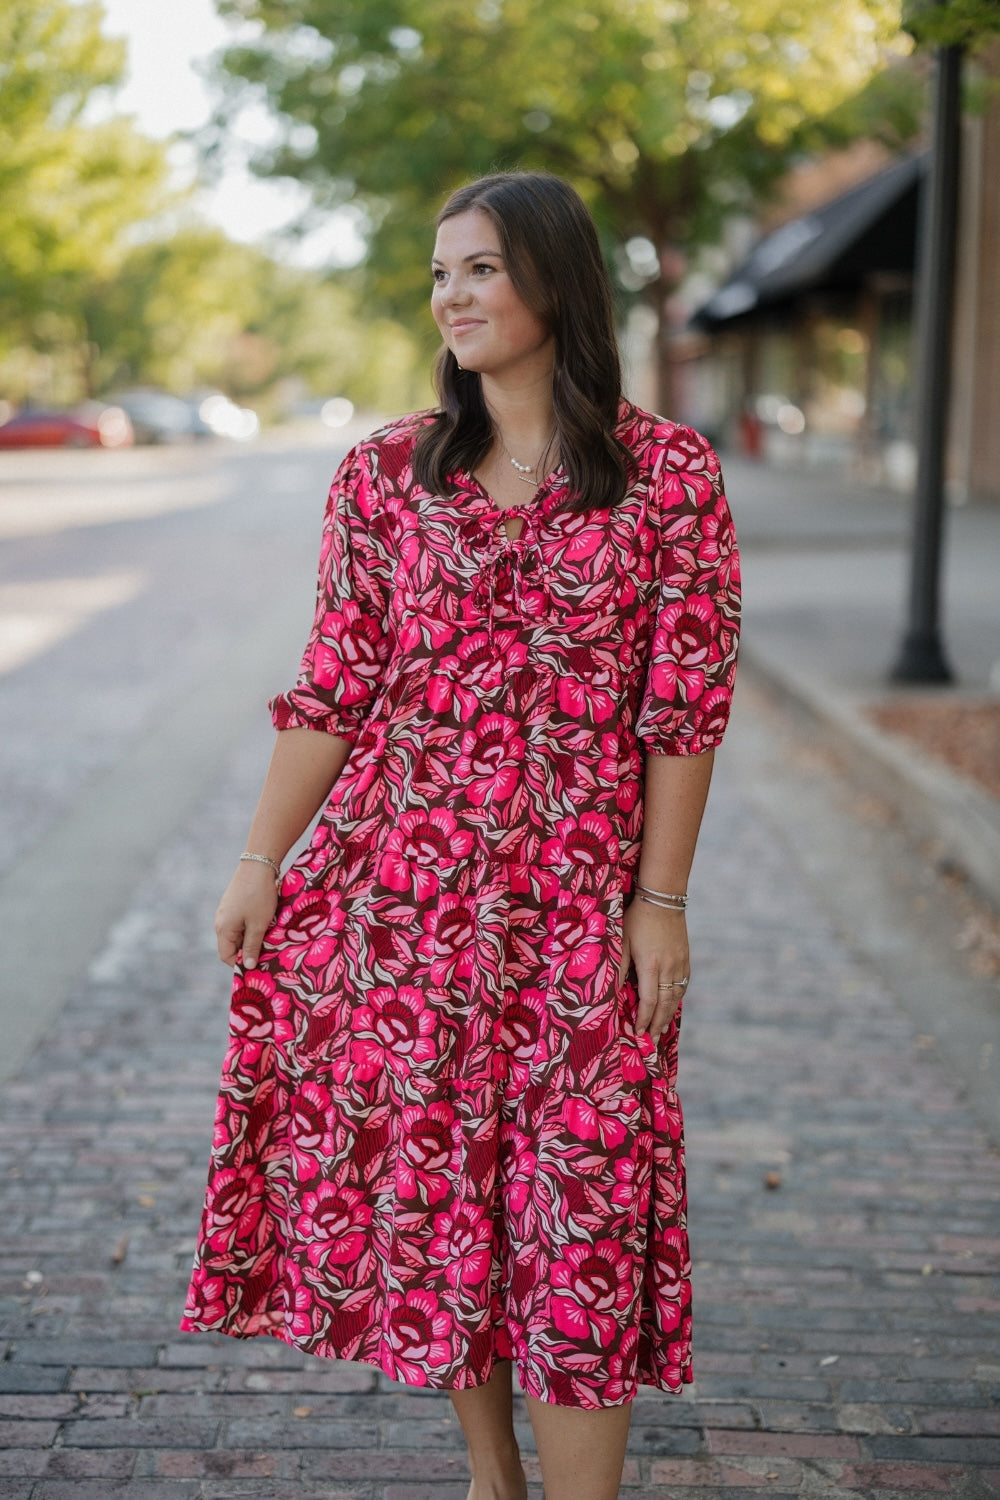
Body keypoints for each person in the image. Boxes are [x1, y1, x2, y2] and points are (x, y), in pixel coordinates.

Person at [180, 170, 740, 1500]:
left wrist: (659, 900)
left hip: (579, 910)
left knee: (582, 1208)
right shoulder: (383, 474)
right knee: (445, 1202)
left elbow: (688, 701)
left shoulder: (668, 476)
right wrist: (261, 861)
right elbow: (334, 684)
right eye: (441, 276)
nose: (454, 296)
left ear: (556, 279)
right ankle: (493, 1472)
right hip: (406, 904)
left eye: (480, 268)